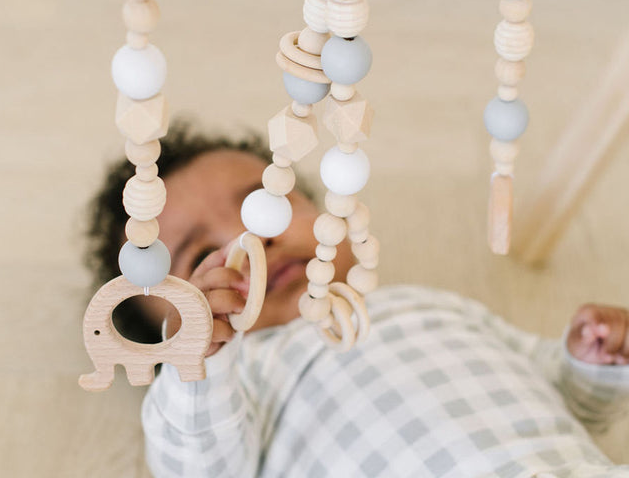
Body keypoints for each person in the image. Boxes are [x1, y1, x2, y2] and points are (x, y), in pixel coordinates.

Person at [84, 121, 629, 477]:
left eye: (264, 203)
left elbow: (565, 400)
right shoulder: (243, 379)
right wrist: (196, 365)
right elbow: (195, 463)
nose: (255, 240)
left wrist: (590, 361)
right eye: (201, 253)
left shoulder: (430, 305)